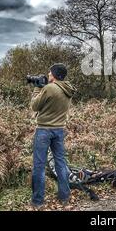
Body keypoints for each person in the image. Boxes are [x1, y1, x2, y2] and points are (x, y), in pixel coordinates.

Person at [30, 63, 74, 208]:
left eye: (49, 73)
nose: (48, 75)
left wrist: (37, 88)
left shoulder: (49, 88)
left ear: (54, 75)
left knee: (39, 166)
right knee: (61, 162)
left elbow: (34, 106)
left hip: (44, 130)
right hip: (59, 130)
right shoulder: (68, 88)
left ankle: (37, 201)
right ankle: (65, 196)